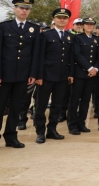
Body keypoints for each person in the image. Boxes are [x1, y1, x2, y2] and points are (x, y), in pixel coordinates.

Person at [0, 0, 39, 155]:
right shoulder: (3, 26)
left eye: (27, 8)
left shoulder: (33, 28)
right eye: (21, 8)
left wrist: (32, 73)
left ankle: (11, 137)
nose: (24, 11)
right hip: (4, 76)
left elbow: (35, 54)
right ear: (15, 9)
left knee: (16, 108)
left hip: (23, 75)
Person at [33, 8, 74, 144]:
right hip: (46, 75)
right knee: (41, 105)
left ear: (68, 20)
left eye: (65, 18)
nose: (62, 20)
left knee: (57, 105)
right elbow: (39, 56)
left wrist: (71, 74)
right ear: (54, 19)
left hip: (62, 76)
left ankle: (52, 130)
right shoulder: (45, 35)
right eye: (59, 17)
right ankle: (40, 131)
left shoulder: (69, 36)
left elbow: (70, 58)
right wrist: (38, 76)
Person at [67, 17, 99, 135]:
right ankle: (72, 124)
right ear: (83, 26)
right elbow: (77, 55)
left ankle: (81, 123)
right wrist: (89, 68)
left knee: (86, 100)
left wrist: (95, 68)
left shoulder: (96, 39)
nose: (89, 26)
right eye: (87, 24)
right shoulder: (77, 38)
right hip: (80, 73)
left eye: (92, 24)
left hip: (92, 75)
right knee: (75, 100)